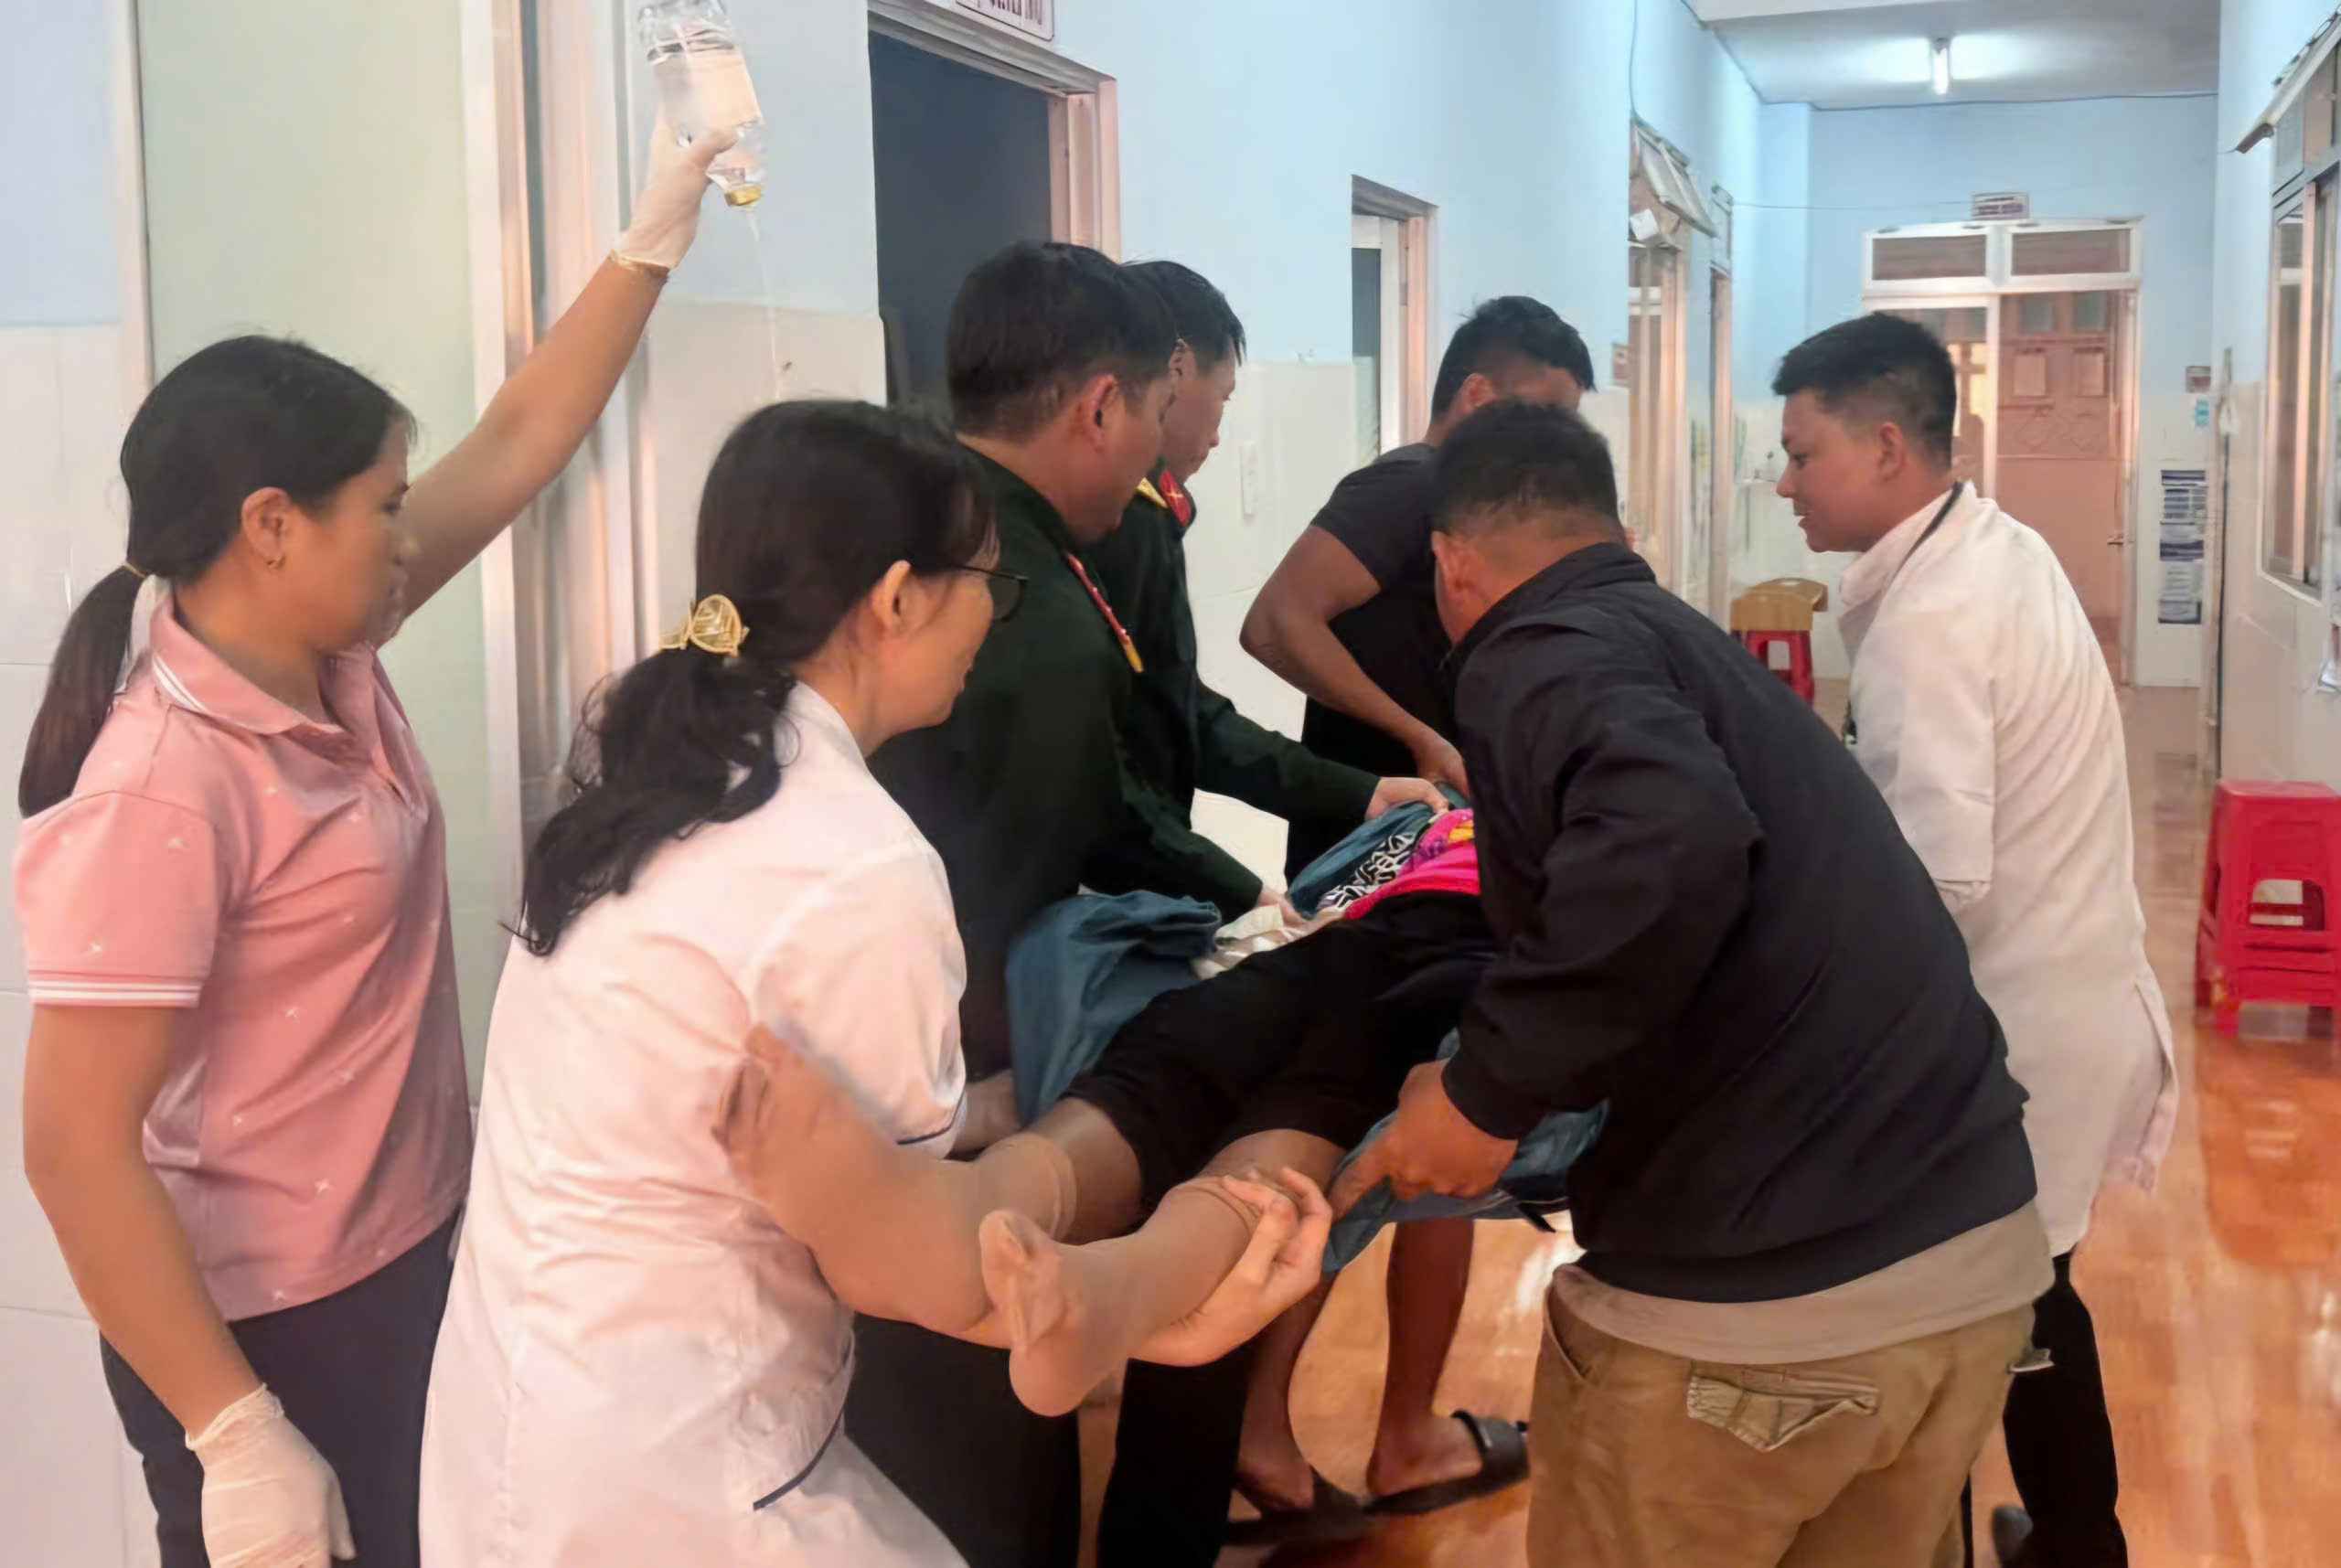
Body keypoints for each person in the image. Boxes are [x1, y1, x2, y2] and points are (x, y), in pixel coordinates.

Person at [418, 400, 1328, 1568]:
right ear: (897, 599)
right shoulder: (855, 861)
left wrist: (1005, 1117)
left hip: (522, 1414)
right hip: (679, 1463)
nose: (990, 620)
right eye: (986, 585)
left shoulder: (669, 780)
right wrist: (1158, 1303)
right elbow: (911, 1260)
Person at [11, 123, 737, 1568]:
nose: (409, 534)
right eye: (386, 508)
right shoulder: (162, 786)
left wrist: (656, 228)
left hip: (408, 1253)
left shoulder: (333, 645)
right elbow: (73, 1147)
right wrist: (233, 1427)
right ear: (271, 526)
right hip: (269, 1324)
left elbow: (517, 442)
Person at [1334, 400, 2053, 1568]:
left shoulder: (1534, 649)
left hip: (1765, 1320)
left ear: (1451, 564)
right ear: (1612, 532)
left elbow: (1670, 833)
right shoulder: (1674, 641)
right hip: (1971, 1264)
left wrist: (1483, 1094)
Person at [1774, 313, 2175, 1568]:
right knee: (2028, 1299)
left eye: (1802, 454)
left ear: (1887, 447)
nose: (1784, 484)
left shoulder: (1934, 616)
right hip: (2063, 995)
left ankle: (2070, 1541)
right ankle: (2072, 1536)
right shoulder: (1997, 548)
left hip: (2020, 1029)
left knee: (1995, 1309)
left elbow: (1931, 877)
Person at [1079, 259, 1454, 1563]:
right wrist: (1247, 892)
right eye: (1218, 397)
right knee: (1223, 1147)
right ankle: (1206, 1460)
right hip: (1135, 897)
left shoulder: (1137, 518)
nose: (1218, 427)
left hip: (1196, 875)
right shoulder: (1121, 525)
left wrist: (1350, 797)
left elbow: (1182, 719)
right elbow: (1136, 753)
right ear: (1162, 377)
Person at [1242, 294, 1593, 874]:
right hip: (1374, 835)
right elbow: (1275, 624)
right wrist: (1420, 738)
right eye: (1544, 417)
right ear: (1477, 395)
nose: (1555, 443)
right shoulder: (1407, 486)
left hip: (1438, 830)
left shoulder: (1473, 502)